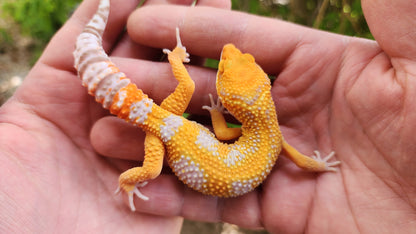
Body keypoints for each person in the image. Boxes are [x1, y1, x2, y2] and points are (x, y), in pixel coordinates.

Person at [0, 0, 415, 233]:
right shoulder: (271, 139)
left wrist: (186, 72)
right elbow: (296, 158)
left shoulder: (248, 133)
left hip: (166, 128)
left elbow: (222, 130)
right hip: (167, 131)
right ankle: (129, 171)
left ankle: (126, 179)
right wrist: (319, 164)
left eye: (229, 66)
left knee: (155, 147)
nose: (232, 55)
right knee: (155, 149)